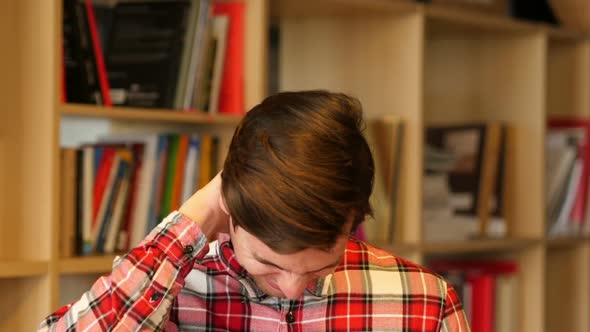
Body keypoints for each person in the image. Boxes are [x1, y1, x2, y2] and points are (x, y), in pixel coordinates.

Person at [38, 90, 470, 331]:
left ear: (355, 220)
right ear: (231, 209)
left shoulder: (425, 303)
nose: (293, 289)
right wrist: (197, 214)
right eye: (267, 263)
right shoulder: (164, 291)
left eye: (321, 268)